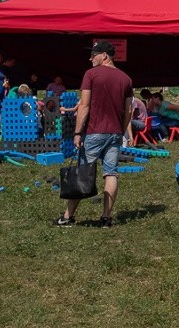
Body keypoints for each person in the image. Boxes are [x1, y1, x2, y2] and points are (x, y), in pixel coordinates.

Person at [53, 41, 133, 228]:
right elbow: (128, 110)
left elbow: (85, 105)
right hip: (114, 132)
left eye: (93, 55)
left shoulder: (91, 75)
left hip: (94, 132)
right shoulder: (126, 79)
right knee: (111, 173)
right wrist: (121, 130)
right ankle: (106, 217)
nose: (90, 58)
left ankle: (67, 217)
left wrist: (78, 132)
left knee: (82, 173)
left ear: (104, 55)